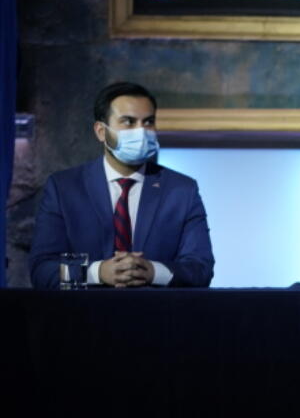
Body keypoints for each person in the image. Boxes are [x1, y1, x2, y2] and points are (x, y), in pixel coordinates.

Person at [29, 81, 214, 289]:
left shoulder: (182, 190)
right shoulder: (64, 188)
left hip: (157, 317)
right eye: (128, 122)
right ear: (101, 131)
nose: (141, 131)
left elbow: (201, 269)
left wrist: (153, 272)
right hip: (84, 317)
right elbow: (42, 269)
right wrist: (97, 272)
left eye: (148, 122)